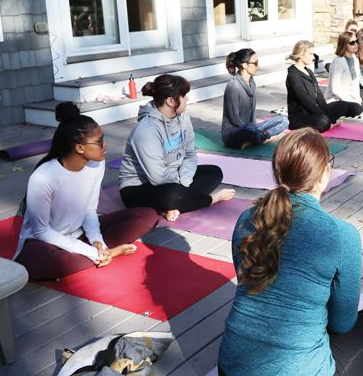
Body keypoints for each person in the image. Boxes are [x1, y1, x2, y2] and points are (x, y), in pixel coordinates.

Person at [217, 128, 363, 375]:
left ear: (278, 172)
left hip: (230, 367)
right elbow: (342, 325)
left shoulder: (247, 219)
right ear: (324, 173)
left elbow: (249, 281)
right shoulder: (341, 234)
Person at [14, 102, 159, 281]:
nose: (104, 145)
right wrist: (93, 252)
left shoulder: (97, 163)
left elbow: (89, 210)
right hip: (43, 243)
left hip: (78, 233)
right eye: (99, 142)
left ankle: (98, 253)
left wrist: (97, 241)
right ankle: (103, 255)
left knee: (148, 215)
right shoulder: (43, 176)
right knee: (49, 263)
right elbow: (42, 231)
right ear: (79, 147)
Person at [119, 74, 235, 222]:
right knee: (172, 194)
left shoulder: (183, 118)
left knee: (214, 173)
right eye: (184, 95)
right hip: (140, 188)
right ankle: (208, 199)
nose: (187, 99)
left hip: (175, 179)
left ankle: (171, 205)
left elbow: (190, 154)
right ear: (171, 101)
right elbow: (158, 177)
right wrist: (180, 189)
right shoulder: (146, 131)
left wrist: (184, 182)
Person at [285, 40, 362, 132]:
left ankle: (328, 122)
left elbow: (319, 96)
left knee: (354, 108)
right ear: (301, 55)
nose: (313, 57)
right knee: (323, 121)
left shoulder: (308, 71)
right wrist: (324, 115)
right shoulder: (293, 75)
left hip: (315, 112)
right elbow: (306, 100)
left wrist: (326, 111)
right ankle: (327, 122)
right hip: (300, 118)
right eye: (310, 54)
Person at [222, 48, 288, 149]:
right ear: (244, 65)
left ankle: (257, 138)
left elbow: (252, 115)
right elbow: (234, 119)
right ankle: (261, 138)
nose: (258, 66)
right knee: (250, 128)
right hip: (233, 133)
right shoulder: (233, 86)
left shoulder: (252, 83)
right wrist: (253, 130)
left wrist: (256, 129)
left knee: (283, 120)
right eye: (255, 63)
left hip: (251, 129)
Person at [326, 31, 363, 110]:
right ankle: (358, 106)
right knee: (356, 108)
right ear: (344, 45)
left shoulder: (355, 59)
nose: (356, 44)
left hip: (351, 96)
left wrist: (357, 98)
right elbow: (335, 90)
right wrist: (352, 101)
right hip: (339, 99)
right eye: (352, 43)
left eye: (356, 41)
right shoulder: (337, 61)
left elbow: (355, 84)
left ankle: (359, 105)